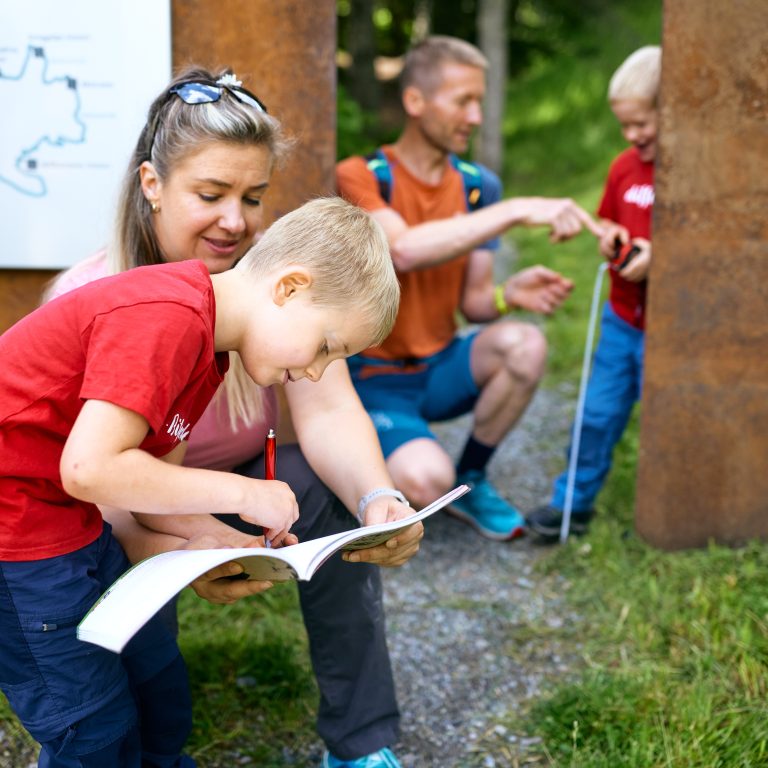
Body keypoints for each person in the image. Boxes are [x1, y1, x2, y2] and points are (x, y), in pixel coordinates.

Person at [43, 68, 420, 768]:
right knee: (105, 703)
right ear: (151, 185)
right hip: (107, 513)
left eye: (253, 197)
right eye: (210, 195)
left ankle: (361, 742)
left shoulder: (279, 293)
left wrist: (379, 498)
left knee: (331, 487)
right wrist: (178, 552)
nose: (235, 221)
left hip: (221, 501)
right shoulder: (94, 296)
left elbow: (332, 409)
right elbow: (87, 479)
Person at [336, 35, 604, 541]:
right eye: (464, 101)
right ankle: (358, 460)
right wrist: (518, 210)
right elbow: (404, 249)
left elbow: (476, 303)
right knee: (426, 479)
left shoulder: (479, 187)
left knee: (526, 344)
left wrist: (510, 296)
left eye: (479, 101)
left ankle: (473, 477)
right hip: (373, 379)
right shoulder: (361, 176)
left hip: (439, 367)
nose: (476, 116)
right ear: (416, 102)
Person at [525, 45, 660, 541]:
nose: (633, 135)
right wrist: (611, 236)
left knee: (666, 421)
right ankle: (571, 507)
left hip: (669, 329)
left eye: (643, 123)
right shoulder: (625, 167)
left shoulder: (694, 172)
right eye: (625, 125)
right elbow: (609, 219)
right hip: (622, 318)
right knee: (596, 414)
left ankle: (666, 515)